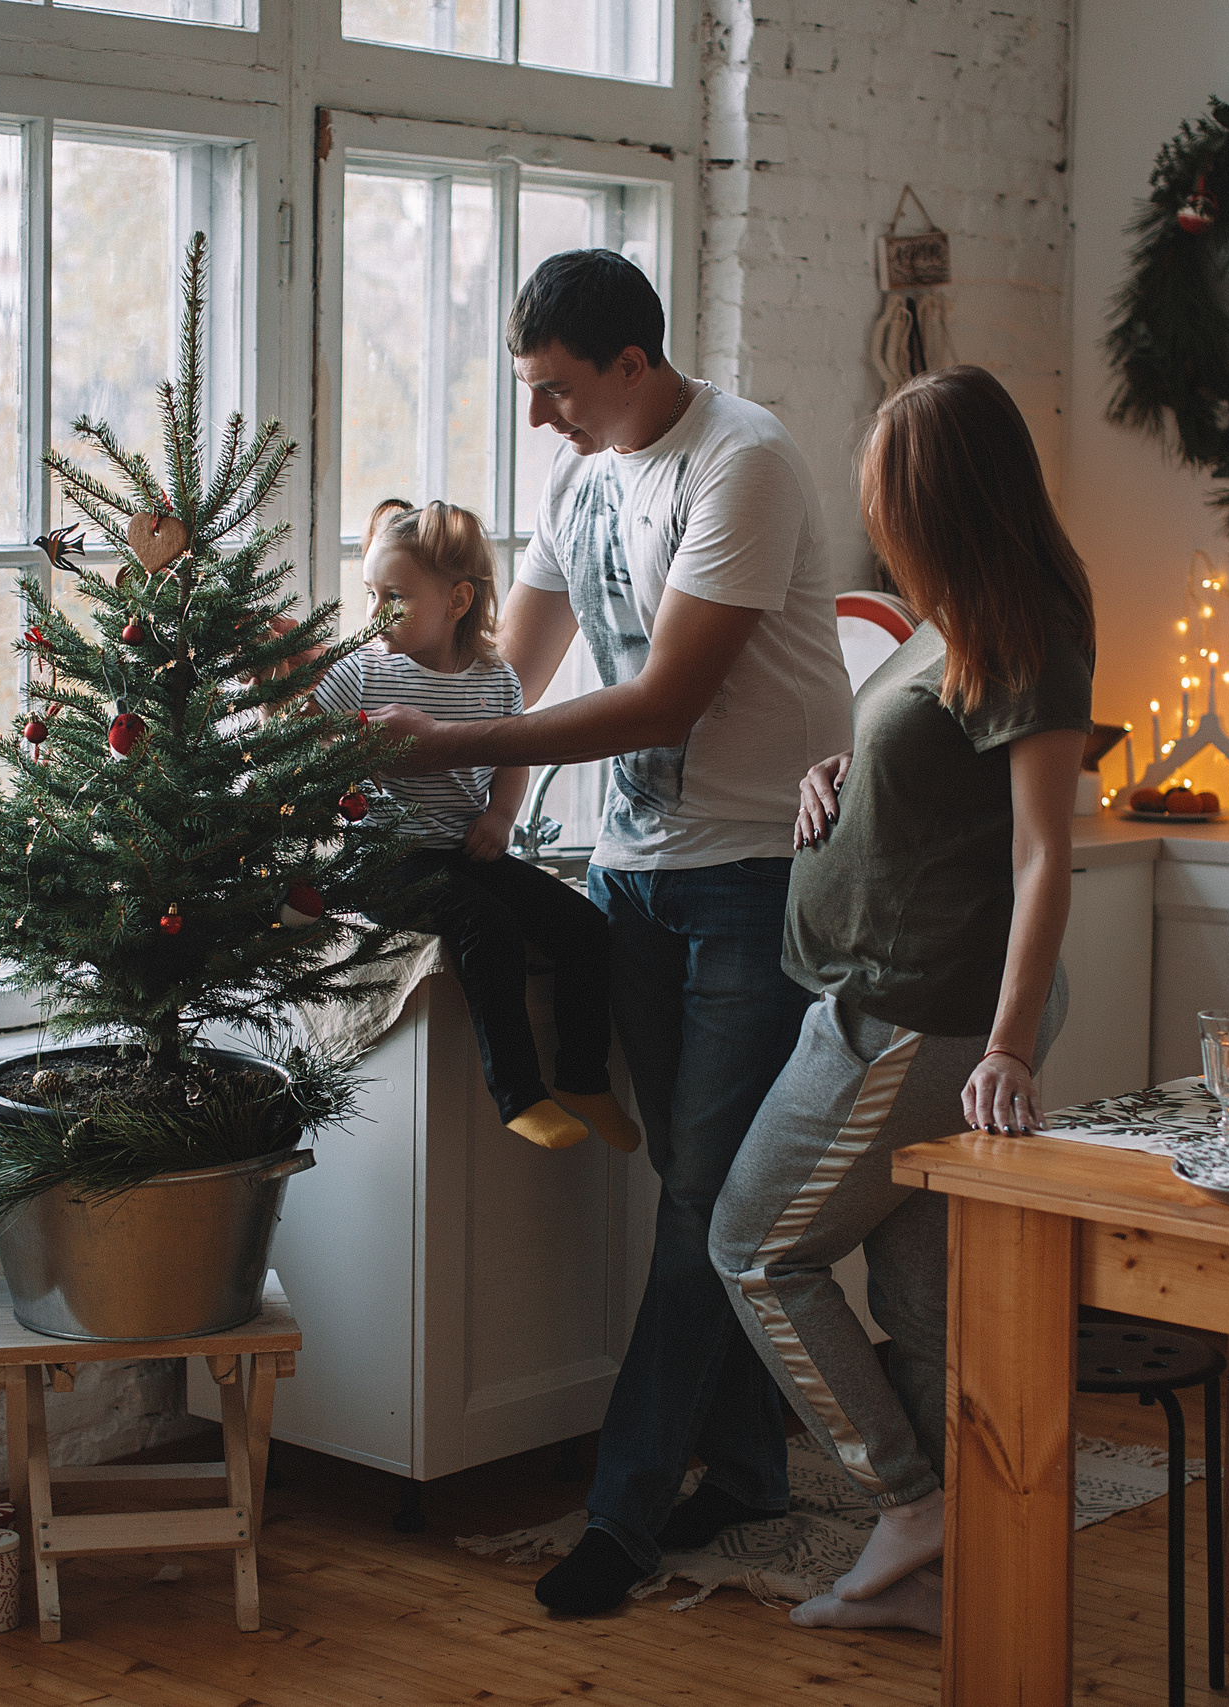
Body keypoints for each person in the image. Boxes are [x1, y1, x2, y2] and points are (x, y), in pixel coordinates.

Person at [367, 249, 853, 1615]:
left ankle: (623, 1512)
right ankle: (752, 1466)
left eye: (557, 388)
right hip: (634, 875)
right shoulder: (581, 481)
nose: (541, 419)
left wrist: (469, 747)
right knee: (704, 1187)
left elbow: (665, 701)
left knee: (709, 1193)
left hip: (757, 873)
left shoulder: (740, 463)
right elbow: (516, 669)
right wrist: (487, 820)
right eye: (531, 391)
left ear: (632, 364)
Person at [708, 365, 1095, 1637]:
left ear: (939, 499)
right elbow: (932, 755)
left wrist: (1004, 1047)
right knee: (921, 1299)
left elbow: (1044, 852)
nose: (878, 522)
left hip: (917, 1014)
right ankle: (950, 1573)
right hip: (878, 993)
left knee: (755, 1248)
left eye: (888, 497)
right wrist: (842, 770)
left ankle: (907, 1502)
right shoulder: (953, 614)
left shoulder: (1025, 623)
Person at [312, 498, 638, 1154]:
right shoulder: (362, 671)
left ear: (458, 600)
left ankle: (582, 1077)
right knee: (486, 925)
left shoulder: (495, 682)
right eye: (370, 594)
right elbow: (309, 740)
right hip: (385, 858)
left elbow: (511, 755)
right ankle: (518, 1094)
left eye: (393, 597)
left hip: (464, 847)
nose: (374, 614)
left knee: (584, 927)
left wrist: (500, 815)